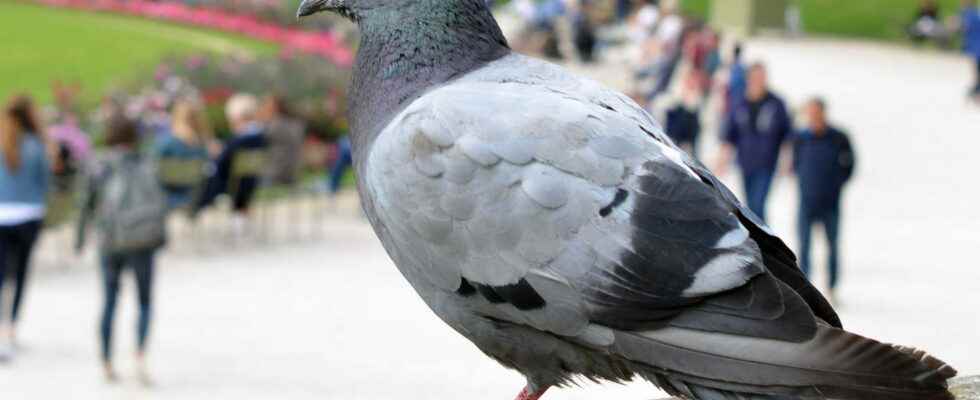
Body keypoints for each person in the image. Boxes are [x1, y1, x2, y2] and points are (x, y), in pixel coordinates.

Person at [76, 115, 167, 384]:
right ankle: (139, 355)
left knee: (109, 301)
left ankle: (106, 361)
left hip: (111, 239)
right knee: (145, 301)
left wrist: (80, 239)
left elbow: (85, 204)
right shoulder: (147, 161)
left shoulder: (99, 164)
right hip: (143, 238)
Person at [0, 95, 50, 362]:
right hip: (28, 215)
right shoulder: (35, 145)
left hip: (2, 216)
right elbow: (45, 181)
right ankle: (10, 329)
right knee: (19, 274)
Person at [792, 98, 855, 302]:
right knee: (804, 246)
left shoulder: (838, 137)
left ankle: (832, 288)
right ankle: (805, 290)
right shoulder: (801, 138)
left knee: (832, 245)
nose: (814, 117)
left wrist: (837, 183)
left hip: (830, 202)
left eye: (817, 113)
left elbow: (850, 164)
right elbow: (795, 164)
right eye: (810, 113)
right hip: (806, 201)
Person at [715, 62, 792, 221]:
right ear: (749, 79)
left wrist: (787, 160)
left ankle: (764, 242)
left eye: (762, 78)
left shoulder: (776, 103)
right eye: (756, 78)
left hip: (767, 163)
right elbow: (730, 135)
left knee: (758, 204)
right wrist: (722, 162)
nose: (759, 81)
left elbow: (786, 135)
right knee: (750, 207)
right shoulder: (739, 103)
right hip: (745, 162)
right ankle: (757, 240)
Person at [192, 93, 268, 218]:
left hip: (233, 184)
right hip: (252, 180)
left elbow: (223, 162)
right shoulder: (261, 136)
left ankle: (197, 209)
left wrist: (217, 153)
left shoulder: (240, 139)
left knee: (206, 179)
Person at [155, 99, 210, 209]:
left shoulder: (166, 142)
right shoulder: (201, 144)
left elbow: (155, 169)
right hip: (197, 196)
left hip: (169, 197)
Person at [260, 95, 305, 186]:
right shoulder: (296, 124)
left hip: (274, 176)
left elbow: (246, 141)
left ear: (274, 108)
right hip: (292, 176)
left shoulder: (273, 126)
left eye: (265, 105)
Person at [960, 0, 980, 99]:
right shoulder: (970, 13)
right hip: (974, 46)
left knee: (977, 68)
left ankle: (977, 89)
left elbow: (964, 26)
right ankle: (976, 88)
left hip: (976, 47)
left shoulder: (970, 13)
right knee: (976, 68)